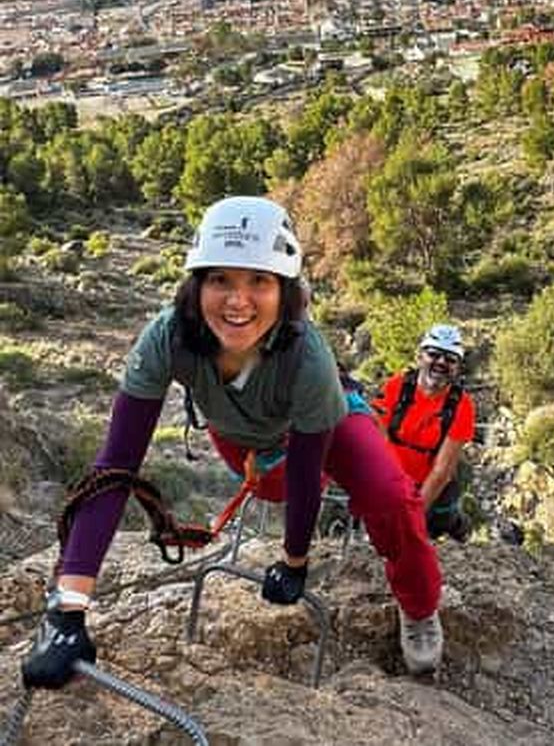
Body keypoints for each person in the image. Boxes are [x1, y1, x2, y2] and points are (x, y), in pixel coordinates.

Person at [22, 196, 443, 689]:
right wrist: (68, 608)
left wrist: (294, 562)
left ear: (283, 291)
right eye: (221, 279)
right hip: (242, 436)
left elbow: (308, 471)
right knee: (271, 488)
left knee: (390, 497)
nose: (238, 301)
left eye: (258, 281)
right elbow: (116, 465)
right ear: (197, 284)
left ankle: (419, 608)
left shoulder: (307, 355)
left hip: (326, 426)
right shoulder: (167, 338)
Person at [372, 325, 475, 543]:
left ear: (457, 367)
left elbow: (441, 470)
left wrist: (413, 512)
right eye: (433, 354)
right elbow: (375, 440)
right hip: (392, 478)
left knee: (432, 525)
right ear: (420, 356)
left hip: (430, 482)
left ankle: (456, 523)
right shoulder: (396, 387)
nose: (440, 363)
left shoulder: (461, 405)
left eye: (450, 359)